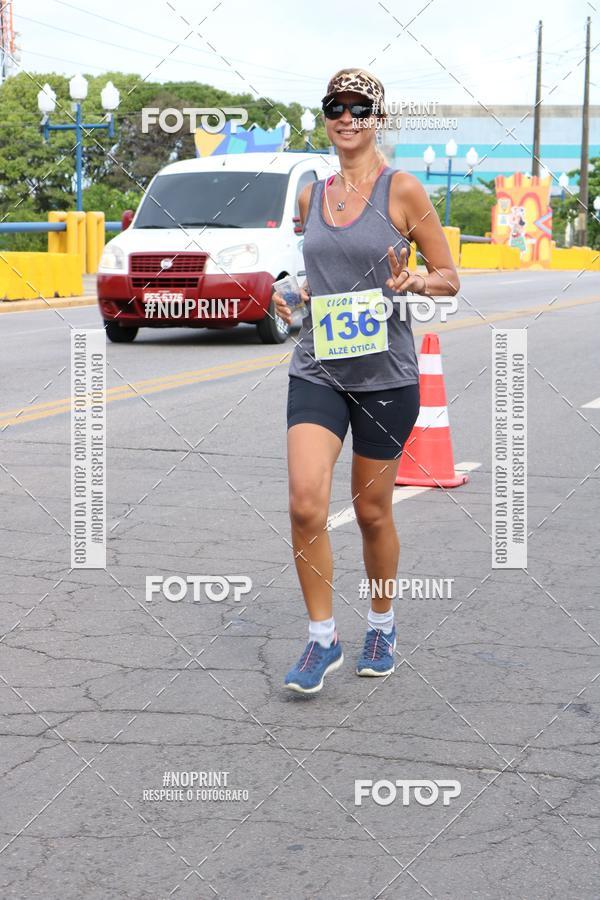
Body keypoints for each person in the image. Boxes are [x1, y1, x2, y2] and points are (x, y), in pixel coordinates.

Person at [274, 67, 459, 695]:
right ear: (325, 117)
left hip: (386, 378)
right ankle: (321, 638)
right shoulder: (311, 196)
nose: (346, 117)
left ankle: (381, 624)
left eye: (360, 108)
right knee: (305, 502)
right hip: (318, 368)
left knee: (371, 512)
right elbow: (319, 274)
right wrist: (294, 293)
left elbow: (449, 277)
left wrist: (415, 280)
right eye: (336, 106)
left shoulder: (401, 189)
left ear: (378, 118)